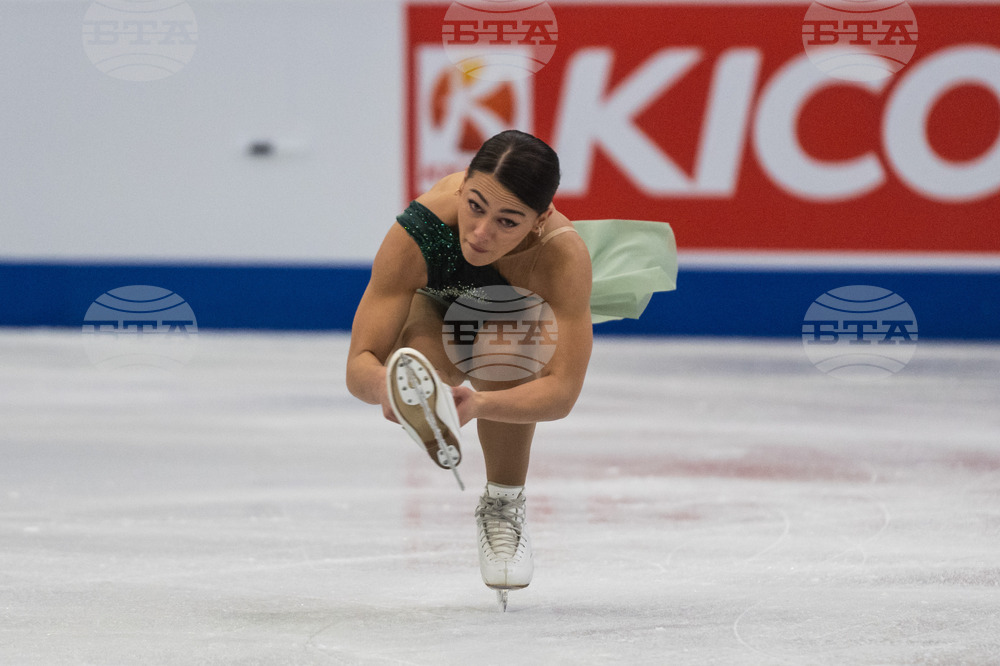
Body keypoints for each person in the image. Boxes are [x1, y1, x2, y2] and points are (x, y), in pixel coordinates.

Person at [345, 130, 592, 606]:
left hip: (513, 321)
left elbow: (562, 392)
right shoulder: (420, 232)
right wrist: (388, 388)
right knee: (415, 356)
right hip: (436, 314)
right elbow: (360, 363)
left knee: (506, 344)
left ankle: (503, 505)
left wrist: (479, 403)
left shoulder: (561, 256)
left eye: (507, 221)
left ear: (539, 220)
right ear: (462, 189)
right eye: (475, 205)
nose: (481, 233)